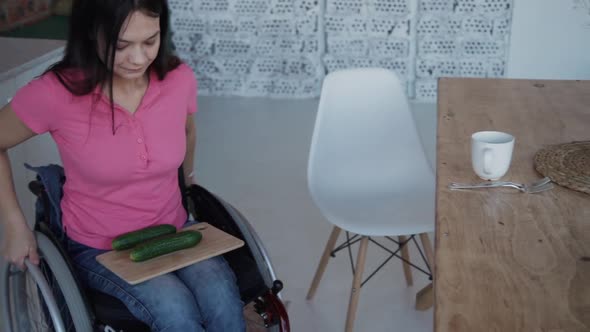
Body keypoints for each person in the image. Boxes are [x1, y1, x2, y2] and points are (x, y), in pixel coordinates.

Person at [0, 0, 246, 331]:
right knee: (175, 309)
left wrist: (187, 180)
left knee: (222, 298)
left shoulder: (177, 79)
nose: (140, 58)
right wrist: (15, 226)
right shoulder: (55, 94)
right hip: (98, 246)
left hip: (173, 227)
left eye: (150, 41)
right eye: (122, 45)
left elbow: (187, 129)